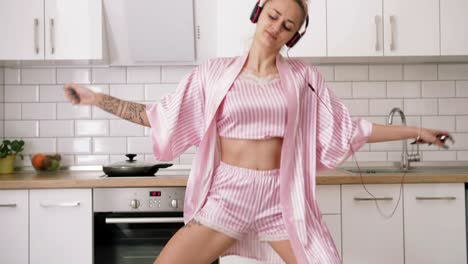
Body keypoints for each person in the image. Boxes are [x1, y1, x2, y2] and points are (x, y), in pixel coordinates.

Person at [64, 0, 452, 263]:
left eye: (289, 25)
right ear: (258, 11)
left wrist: (414, 130)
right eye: (273, 15)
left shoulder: (304, 78)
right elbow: (159, 115)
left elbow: (349, 129)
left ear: (294, 36)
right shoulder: (214, 73)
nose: (277, 27)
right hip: (227, 195)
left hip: (281, 199)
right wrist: (98, 99)